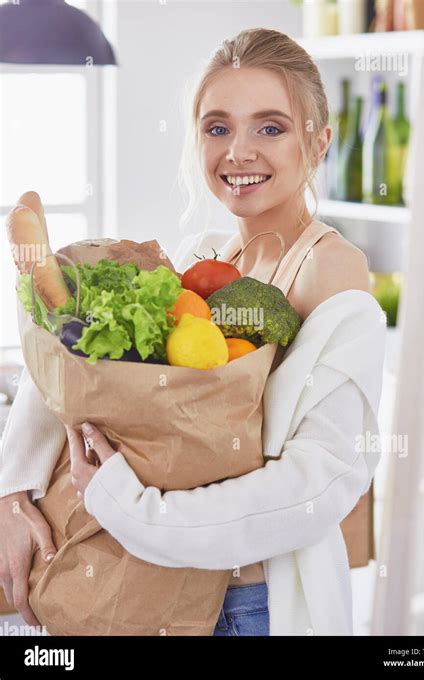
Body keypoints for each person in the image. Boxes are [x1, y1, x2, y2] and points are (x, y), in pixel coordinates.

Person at [0, 28, 385, 636]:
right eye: (217, 128)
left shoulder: (334, 272)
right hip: (154, 590)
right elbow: (74, 353)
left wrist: (132, 508)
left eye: (271, 127)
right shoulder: (202, 257)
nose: (238, 151)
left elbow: (319, 486)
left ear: (318, 143)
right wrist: (13, 492)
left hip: (250, 610)